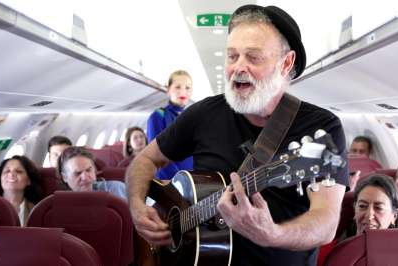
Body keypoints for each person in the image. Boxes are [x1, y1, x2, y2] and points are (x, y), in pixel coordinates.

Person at [126, 5, 349, 266]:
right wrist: (137, 206)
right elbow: (145, 160)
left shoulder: (320, 128)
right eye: (232, 56)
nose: (238, 67)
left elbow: (326, 221)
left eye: (253, 57)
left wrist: (275, 235)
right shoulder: (203, 113)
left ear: (286, 63)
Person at [317, 174, 398, 265]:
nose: (369, 215)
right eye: (362, 206)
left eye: (379, 208)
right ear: (355, 211)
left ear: (394, 216)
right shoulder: (325, 255)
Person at [146, 70, 194, 180]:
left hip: (194, 179)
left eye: (187, 88)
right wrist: (180, 181)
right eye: (177, 87)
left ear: (191, 91)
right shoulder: (158, 116)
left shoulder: (193, 116)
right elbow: (158, 156)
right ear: (168, 90)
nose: (183, 92)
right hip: (171, 181)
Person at [57, 147, 128, 200]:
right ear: (64, 177)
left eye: (88, 170)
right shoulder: (61, 204)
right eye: (77, 173)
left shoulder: (117, 189)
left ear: (94, 170)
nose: (85, 177)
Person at [0, 156, 42, 226]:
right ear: (0, 178)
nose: (11, 174)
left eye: (19, 171)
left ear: (29, 180)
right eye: (7, 171)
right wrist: (8, 215)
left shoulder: (36, 210)